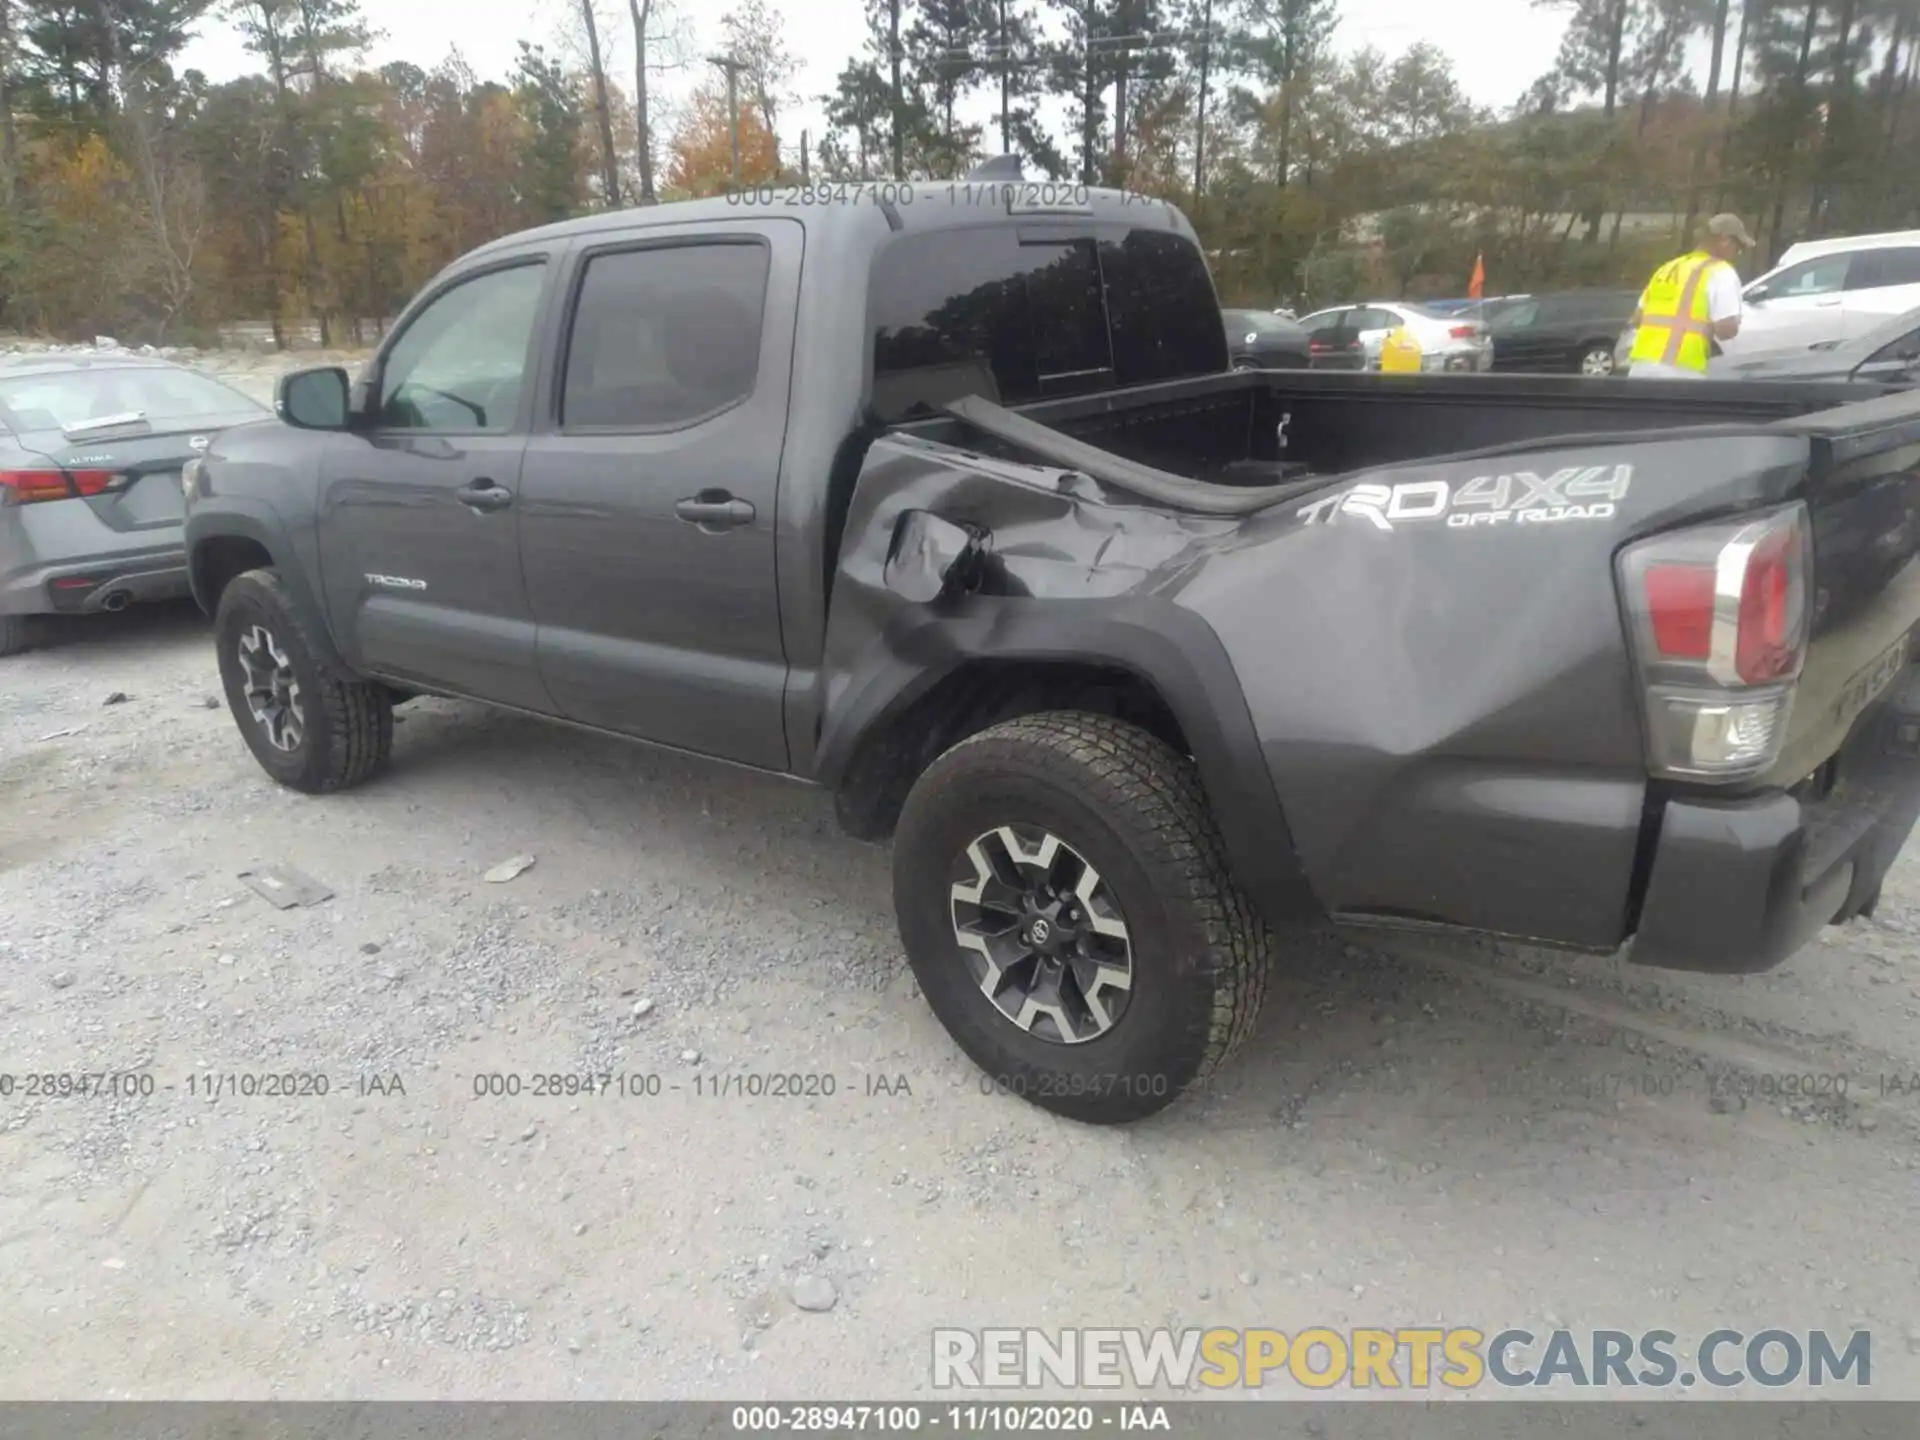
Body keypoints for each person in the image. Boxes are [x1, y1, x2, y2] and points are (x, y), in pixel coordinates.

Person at [1624, 214, 1756, 379]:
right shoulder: (1721, 272)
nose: (1738, 253)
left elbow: (1637, 319)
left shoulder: (1668, 268)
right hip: (1681, 373)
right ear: (1725, 240)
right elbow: (1726, 330)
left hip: (1640, 369)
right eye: (1739, 248)